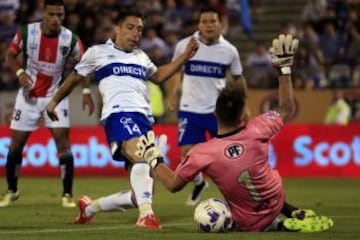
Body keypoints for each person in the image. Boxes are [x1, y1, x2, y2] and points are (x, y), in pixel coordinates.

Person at [135, 34, 334, 232]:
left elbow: (172, 184)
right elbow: (286, 107)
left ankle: (279, 226)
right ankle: (292, 212)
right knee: (259, 181)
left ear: (214, 112)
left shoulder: (202, 153)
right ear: (242, 116)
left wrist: (153, 157)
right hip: (276, 198)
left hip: (249, 221)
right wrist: (284, 68)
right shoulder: (259, 127)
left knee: (231, 204)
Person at [45, 8, 199, 229]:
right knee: (143, 157)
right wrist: (53, 102)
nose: (136, 33)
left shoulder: (141, 57)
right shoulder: (97, 52)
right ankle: (147, 217)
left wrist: (184, 57)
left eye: (139, 29)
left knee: (142, 193)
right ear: (116, 28)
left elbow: (158, 76)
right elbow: (74, 77)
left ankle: (89, 208)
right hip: (118, 114)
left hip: (144, 119)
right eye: (130, 27)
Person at [0, 0, 95, 208]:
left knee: (63, 141)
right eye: (52, 14)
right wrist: (19, 72)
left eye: (60, 15)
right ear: (43, 13)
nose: (56, 19)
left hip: (56, 97)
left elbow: (84, 65)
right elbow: (10, 54)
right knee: (16, 144)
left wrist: (86, 91)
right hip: (28, 97)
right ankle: (12, 190)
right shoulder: (27, 33)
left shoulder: (70, 40)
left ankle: (68, 194)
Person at [165, 7, 249, 206]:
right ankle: (199, 183)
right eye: (204, 21)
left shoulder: (229, 51)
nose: (208, 25)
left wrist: (244, 105)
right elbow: (175, 71)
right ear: (199, 24)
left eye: (213, 21)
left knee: (226, 157)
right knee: (187, 153)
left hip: (217, 112)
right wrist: (172, 95)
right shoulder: (185, 45)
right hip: (189, 107)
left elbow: (238, 78)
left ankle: (235, 198)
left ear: (220, 24)